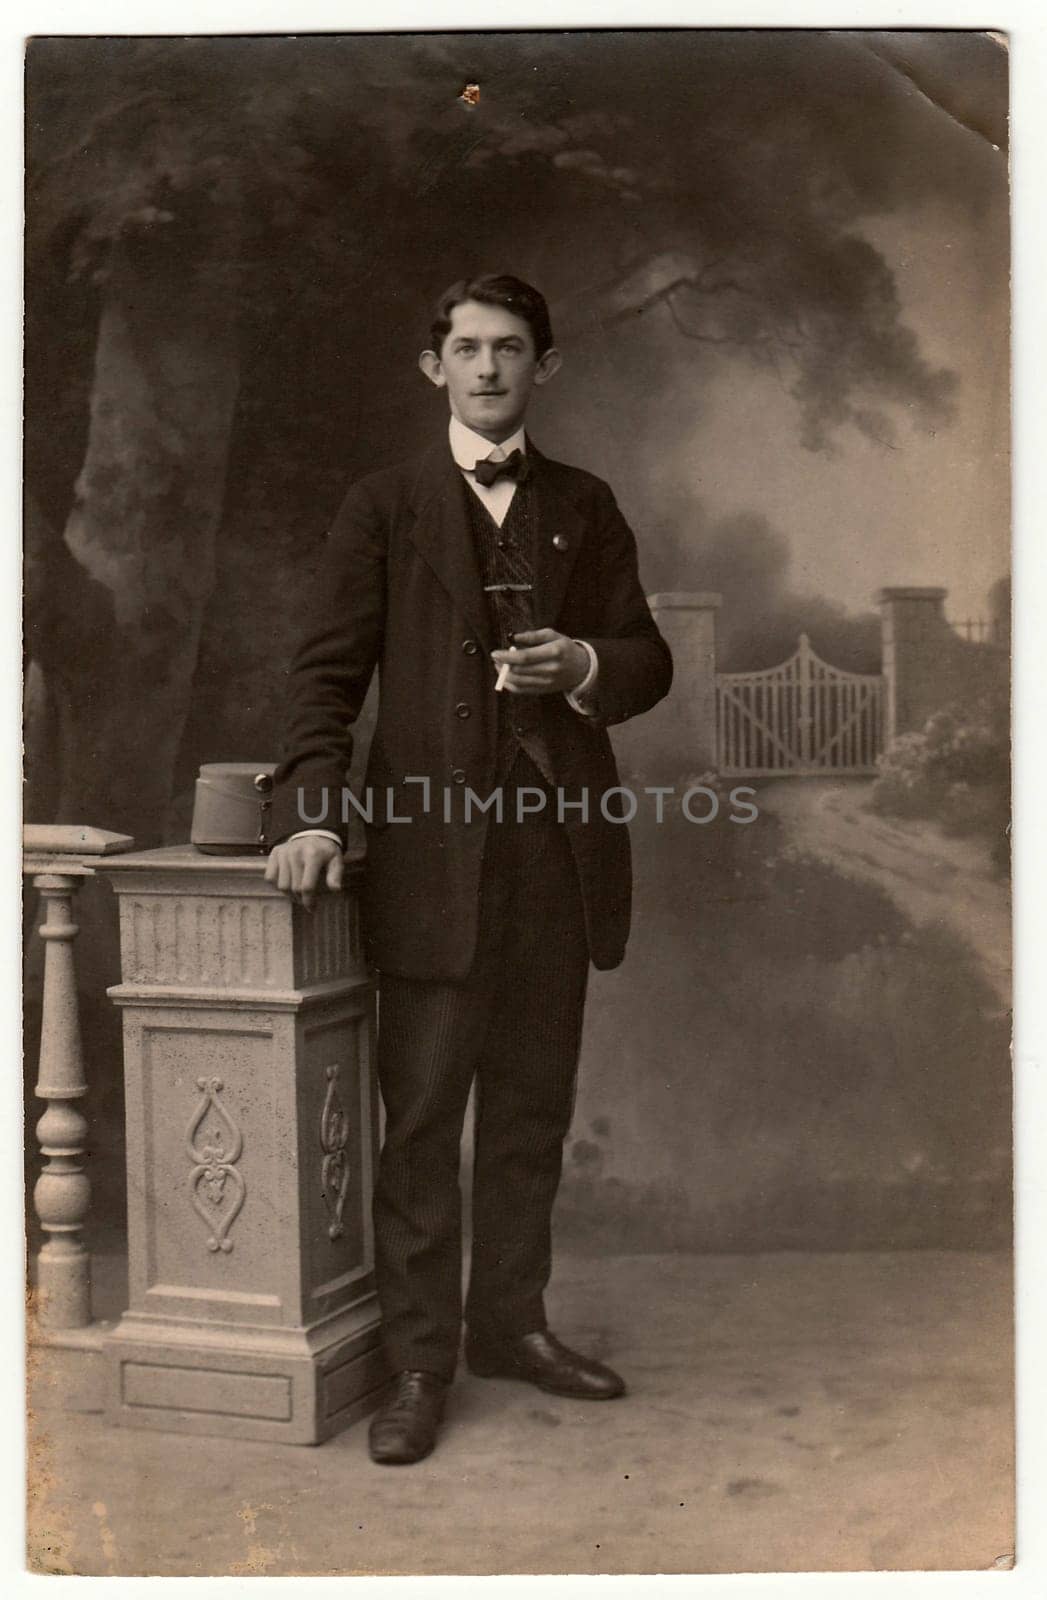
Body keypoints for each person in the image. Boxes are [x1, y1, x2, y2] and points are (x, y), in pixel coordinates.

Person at [265, 273, 673, 1464]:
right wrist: (315, 815)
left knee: (531, 1111)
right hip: (431, 861)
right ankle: (420, 1363)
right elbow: (325, 679)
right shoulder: (383, 505)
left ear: (546, 367)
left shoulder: (586, 506)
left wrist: (584, 662)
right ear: (432, 364)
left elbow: (645, 659)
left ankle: (509, 1326)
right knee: (422, 1121)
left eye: (511, 349)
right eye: (467, 347)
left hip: (556, 858)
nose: (488, 368)